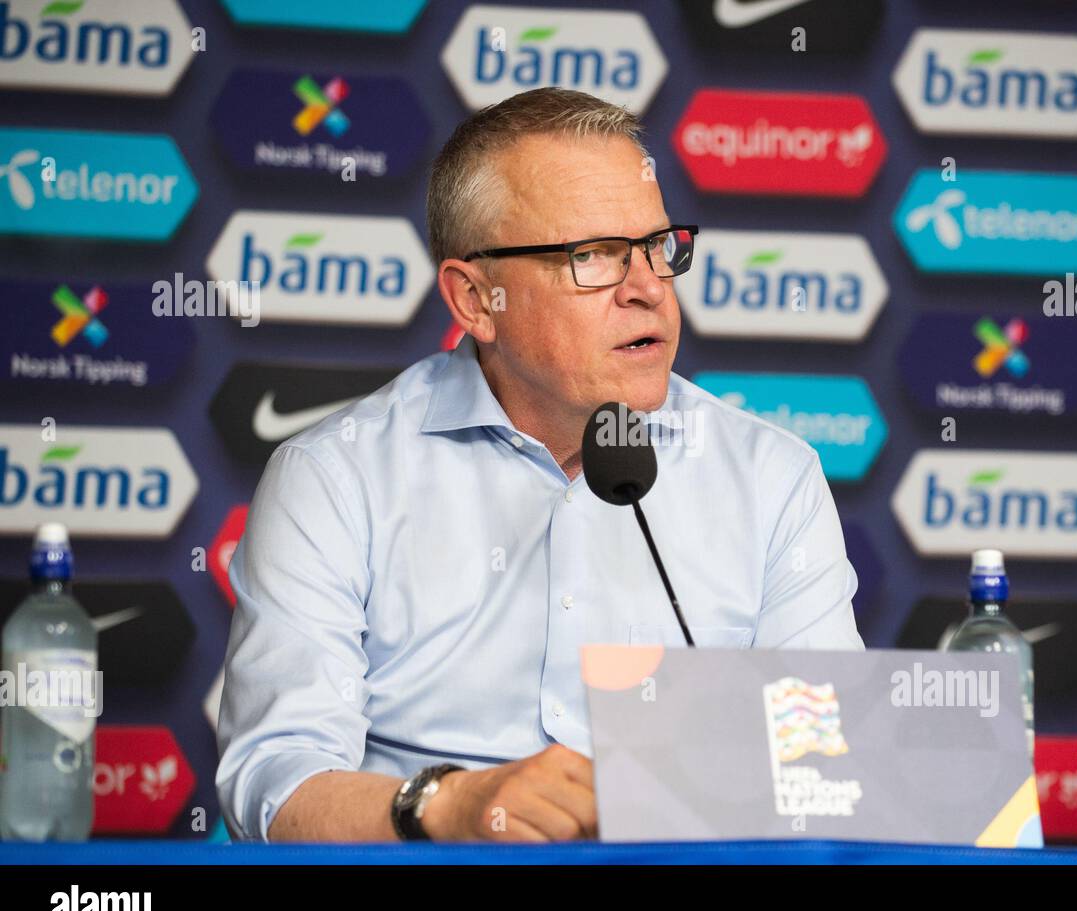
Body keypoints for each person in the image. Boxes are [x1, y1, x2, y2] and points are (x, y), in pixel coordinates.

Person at [215, 87, 864, 845]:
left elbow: (829, 767)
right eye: (593, 257)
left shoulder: (772, 477)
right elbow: (276, 780)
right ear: (475, 298)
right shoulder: (334, 480)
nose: (649, 289)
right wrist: (450, 806)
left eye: (659, 247)